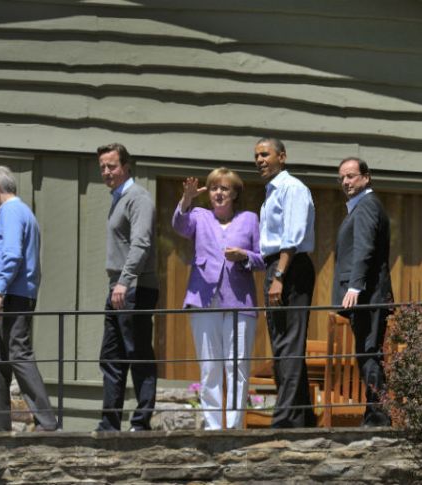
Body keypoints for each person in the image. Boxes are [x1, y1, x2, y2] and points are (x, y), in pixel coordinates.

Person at [172, 168, 265, 429]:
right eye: (214, 188)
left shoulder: (249, 219)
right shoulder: (199, 216)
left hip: (240, 301)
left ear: (235, 193)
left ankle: (235, 426)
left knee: (237, 366)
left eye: (224, 188)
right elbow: (180, 226)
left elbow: (262, 259)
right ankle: (213, 426)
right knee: (210, 367)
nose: (218, 193)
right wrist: (186, 200)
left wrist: (244, 256)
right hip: (204, 299)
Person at [0, 165, 58, 432]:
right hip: (15, 294)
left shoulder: (11, 212)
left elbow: (12, 254)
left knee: (18, 354)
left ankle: (47, 422)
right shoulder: (22, 211)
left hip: (13, 295)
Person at [95, 143, 159, 432]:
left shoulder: (138, 197)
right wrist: (117, 284)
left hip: (134, 288)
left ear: (126, 166)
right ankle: (109, 423)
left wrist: (125, 280)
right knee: (111, 357)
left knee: (139, 354)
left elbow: (141, 243)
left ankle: (141, 422)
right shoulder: (118, 198)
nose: (107, 172)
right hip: (117, 288)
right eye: (103, 167)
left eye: (112, 166)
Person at [255, 137, 317, 428]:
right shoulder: (271, 192)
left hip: (289, 268)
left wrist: (279, 276)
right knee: (282, 344)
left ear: (282, 157)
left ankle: (284, 419)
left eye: (265, 154)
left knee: (289, 344)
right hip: (276, 266)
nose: (260, 160)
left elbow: (291, 237)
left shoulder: (291, 188)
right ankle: (302, 415)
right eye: (256, 156)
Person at [332, 157, 394, 427]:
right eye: (342, 177)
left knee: (370, 354)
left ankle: (378, 417)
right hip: (363, 296)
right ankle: (373, 413)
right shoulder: (359, 207)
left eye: (351, 176)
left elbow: (365, 249)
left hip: (368, 295)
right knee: (366, 355)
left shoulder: (368, 205)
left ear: (366, 177)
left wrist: (355, 285)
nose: (346, 182)